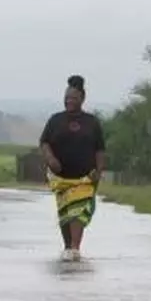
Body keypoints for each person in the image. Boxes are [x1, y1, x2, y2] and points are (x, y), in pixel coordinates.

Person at [39, 75, 106, 261]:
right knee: (65, 212)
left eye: (74, 98)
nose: (69, 100)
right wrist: (51, 158)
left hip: (85, 177)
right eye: (67, 97)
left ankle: (75, 247)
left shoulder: (92, 122)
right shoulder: (55, 120)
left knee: (78, 210)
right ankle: (68, 246)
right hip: (60, 177)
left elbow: (100, 149)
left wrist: (99, 171)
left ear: (82, 99)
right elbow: (44, 142)